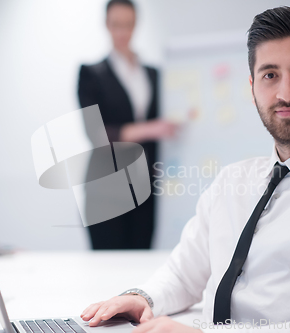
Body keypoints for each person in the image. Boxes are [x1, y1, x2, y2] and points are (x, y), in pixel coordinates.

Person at [79, 7, 290, 333]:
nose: (286, 93)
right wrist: (144, 298)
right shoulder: (232, 180)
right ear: (252, 88)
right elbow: (184, 272)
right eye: (270, 75)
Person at [78, 0, 177, 250]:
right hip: (105, 188)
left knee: (140, 268)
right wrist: (152, 129)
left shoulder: (153, 74)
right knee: (107, 269)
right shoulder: (91, 74)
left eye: (128, 25)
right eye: (116, 25)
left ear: (136, 25)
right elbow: (98, 135)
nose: (122, 32)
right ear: (106, 25)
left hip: (145, 186)